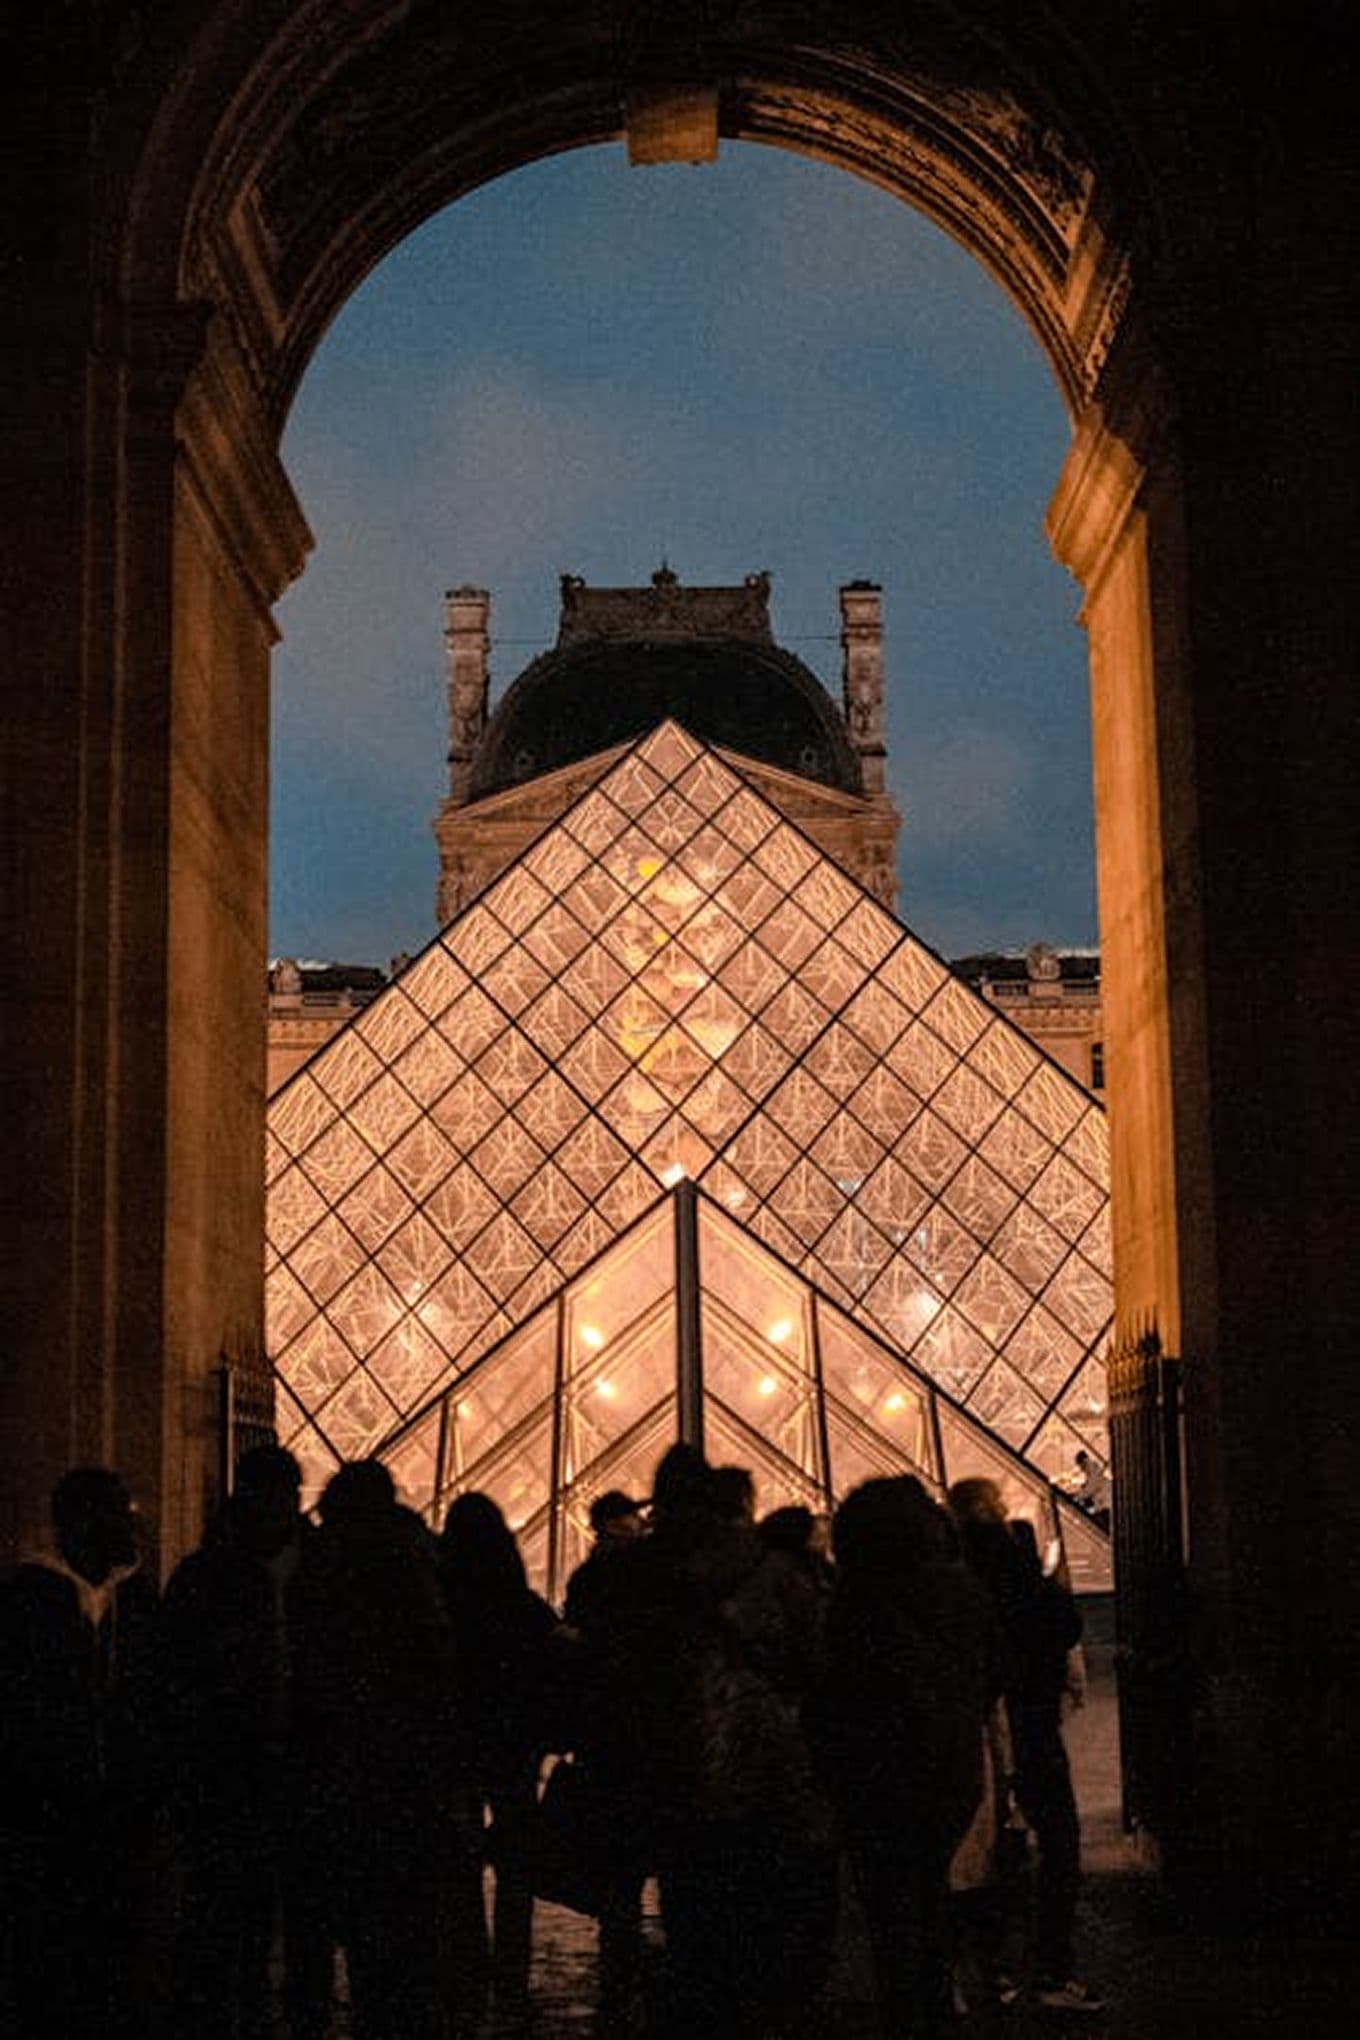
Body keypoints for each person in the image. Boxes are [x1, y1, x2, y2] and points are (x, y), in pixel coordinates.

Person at [597, 1445, 839, 2037]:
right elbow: (814, 1663)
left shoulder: (632, 1572)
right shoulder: (771, 1567)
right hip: (763, 1764)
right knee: (758, 1909)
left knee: (690, 1909)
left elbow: (608, 1674)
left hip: (670, 1767)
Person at [811, 1476, 1001, 2040]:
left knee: (890, 1918)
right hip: (949, 1771)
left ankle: (909, 2013)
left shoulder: (857, 1602)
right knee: (929, 1903)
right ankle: (936, 2006)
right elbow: (995, 1672)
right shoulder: (960, 1590)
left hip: (873, 1776)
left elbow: (831, 1696)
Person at [290, 1458, 462, 2040]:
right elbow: (437, 1660)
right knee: (398, 1926)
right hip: (405, 1767)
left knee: (328, 1917)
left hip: (333, 1761)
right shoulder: (418, 1556)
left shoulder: (319, 1563)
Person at [161, 1443, 322, 2040]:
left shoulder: (204, 1574)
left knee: (241, 1915)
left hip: (264, 1768)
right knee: (249, 1915)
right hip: (243, 1771)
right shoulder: (318, 1570)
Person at [0, 1467, 161, 2038]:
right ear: (84, 1522)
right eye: (122, 1511)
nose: (132, 1522)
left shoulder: (38, 1599)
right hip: (55, 1813)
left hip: (103, 1811)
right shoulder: (127, 1601)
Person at [948, 1479, 1106, 2016]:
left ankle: (982, 1970)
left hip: (971, 1725)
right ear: (993, 1510)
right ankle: (1049, 1967)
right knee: (1058, 1842)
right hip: (1030, 1721)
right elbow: (1060, 1623)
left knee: (980, 1850)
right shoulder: (1009, 1563)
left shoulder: (950, 1570)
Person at [438, 1491, 565, 2031]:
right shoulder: (522, 1607)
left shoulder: (439, 1604)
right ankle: (511, 1966)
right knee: (516, 1860)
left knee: (459, 1858)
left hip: (456, 1744)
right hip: (515, 1746)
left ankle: (469, 1957)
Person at [563, 1489, 647, 1632]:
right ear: (613, 1526)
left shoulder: (583, 1578)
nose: (641, 1520)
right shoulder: (641, 1568)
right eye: (633, 1515)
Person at [1072, 1450, 1112, 1530]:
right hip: (1104, 1504)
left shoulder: (1092, 1467)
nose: (1080, 1468)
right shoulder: (1092, 1468)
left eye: (1080, 1465)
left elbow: (1092, 1487)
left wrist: (1077, 1497)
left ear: (1083, 1461)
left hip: (1106, 1504)